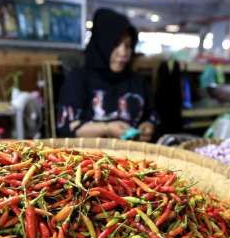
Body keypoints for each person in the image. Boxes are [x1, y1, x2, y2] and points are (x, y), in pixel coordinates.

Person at [56, 8, 158, 140]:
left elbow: (151, 115)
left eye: (128, 46)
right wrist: (106, 129)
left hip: (133, 156)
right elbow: (65, 127)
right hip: (90, 157)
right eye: (115, 44)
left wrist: (147, 126)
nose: (123, 53)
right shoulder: (78, 79)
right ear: (102, 44)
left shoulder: (138, 81)